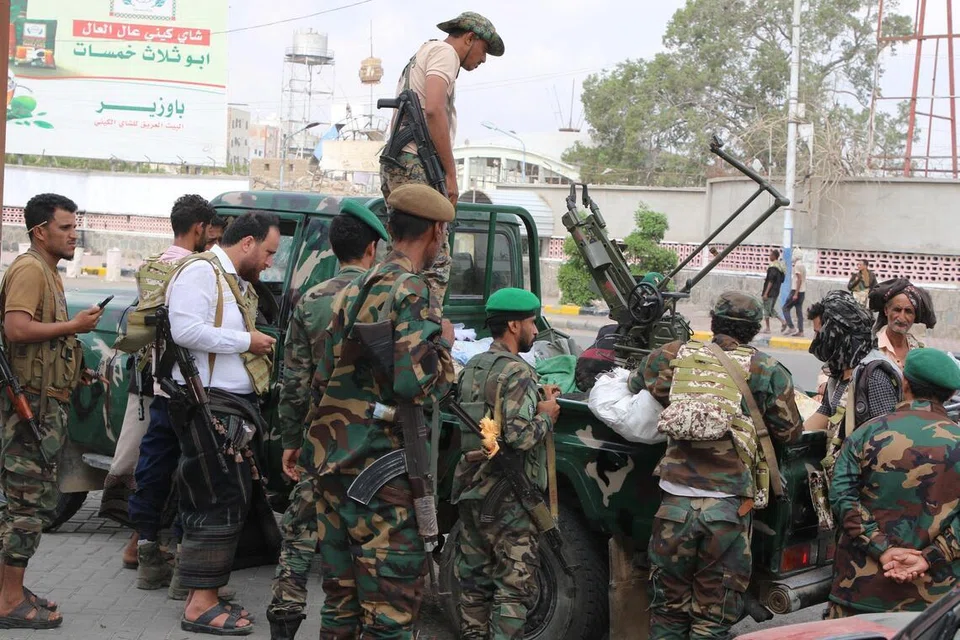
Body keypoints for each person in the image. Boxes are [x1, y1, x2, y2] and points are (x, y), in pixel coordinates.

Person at [300, 183, 456, 638]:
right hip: (382, 472)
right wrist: (444, 347)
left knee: (341, 602)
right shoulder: (413, 290)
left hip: (335, 461)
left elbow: (321, 376)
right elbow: (415, 384)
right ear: (437, 232)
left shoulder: (354, 287)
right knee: (390, 611)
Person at [629, 292, 802, 639]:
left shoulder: (672, 355)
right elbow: (789, 431)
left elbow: (636, 383)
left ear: (713, 322)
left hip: (673, 508)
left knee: (667, 613)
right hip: (727, 512)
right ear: (755, 329)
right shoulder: (765, 369)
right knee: (712, 619)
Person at [267, 201, 389, 640]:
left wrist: (291, 440)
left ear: (334, 250)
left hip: (319, 438)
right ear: (372, 249)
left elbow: (294, 380)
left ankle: (284, 618)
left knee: (300, 530)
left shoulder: (311, 299)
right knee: (370, 538)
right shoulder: (384, 298)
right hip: (372, 444)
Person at [163, 211, 280, 635]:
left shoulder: (231, 279)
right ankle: (200, 605)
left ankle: (204, 594)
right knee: (218, 499)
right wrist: (246, 340)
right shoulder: (201, 272)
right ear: (247, 242)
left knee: (224, 498)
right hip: (208, 407)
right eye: (268, 252)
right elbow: (184, 331)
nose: (269, 262)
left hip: (228, 407)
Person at [0, 193, 104, 629]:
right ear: (40, 231)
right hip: (28, 411)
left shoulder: (48, 271)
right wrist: (74, 326)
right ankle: (8, 601)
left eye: (75, 226)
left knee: (30, 503)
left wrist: (75, 369)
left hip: (44, 405)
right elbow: (16, 328)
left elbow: (43, 343)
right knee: (26, 505)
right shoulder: (30, 269)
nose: (74, 234)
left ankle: (10, 589)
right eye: (65, 227)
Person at [98, 194, 214, 573]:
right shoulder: (198, 268)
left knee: (150, 463)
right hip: (185, 383)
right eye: (210, 233)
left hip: (152, 381)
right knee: (185, 467)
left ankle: (143, 545)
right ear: (199, 228)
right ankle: (173, 554)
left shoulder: (150, 265)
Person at [452, 288, 561, 639]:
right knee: (514, 589)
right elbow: (519, 438)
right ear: (514, 325)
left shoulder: (473, 367)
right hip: (508, 500)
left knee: (474, 582)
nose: (535, 330)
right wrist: (546, 416)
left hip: (473, 490)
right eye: (531, 322)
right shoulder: (517, 372)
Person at [826, 348, 960, 618]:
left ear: (905, 383)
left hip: (860, 592)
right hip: (938, 605)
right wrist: (929, 557)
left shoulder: (867, 433)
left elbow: (842, 496)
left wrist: (883, 549)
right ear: (949, 395)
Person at [381, 11, 503, 301]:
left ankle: (387, 314)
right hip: (415, 164)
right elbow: (434, 109)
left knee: (401, 254)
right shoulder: (446, 53)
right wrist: (450, 174)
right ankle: (425, 324)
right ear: (470, 38)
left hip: (399, 162)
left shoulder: (425, 52)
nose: (483, 60)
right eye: (484, 50)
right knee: (435, 258)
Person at [803, 291, 902, 434]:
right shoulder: (840, 370)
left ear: (836, 335)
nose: (815, 341)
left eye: (819, 334)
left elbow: (886, 436)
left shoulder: (874, 377)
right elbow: (826, 412)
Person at [868, 278, 936, 370]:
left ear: (915, 316)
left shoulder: (919, 349)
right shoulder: (872, 348)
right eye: (897, 310)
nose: (901, 318)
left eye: (908, 311)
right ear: (886, 310)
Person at [760, 248, 786, 334]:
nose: (769, 256)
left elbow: (771, 281)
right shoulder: (780, 267)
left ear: (774, 256)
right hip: (776, 292)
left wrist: (766, 293)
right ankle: (783, 321)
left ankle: (768, 328)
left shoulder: (773, 267)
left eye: (770, 255)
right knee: (770, 309)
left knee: (766, 310)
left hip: (770, 292)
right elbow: (780, 280)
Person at [782, 250, 806, 336]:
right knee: (799, 312)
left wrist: (795, 293)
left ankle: (791, 327)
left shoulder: (797, 266)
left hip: (796, 290)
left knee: (785, 308)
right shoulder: (802, 265)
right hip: (802, 291)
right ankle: (801, 331)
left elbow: (799, 280)